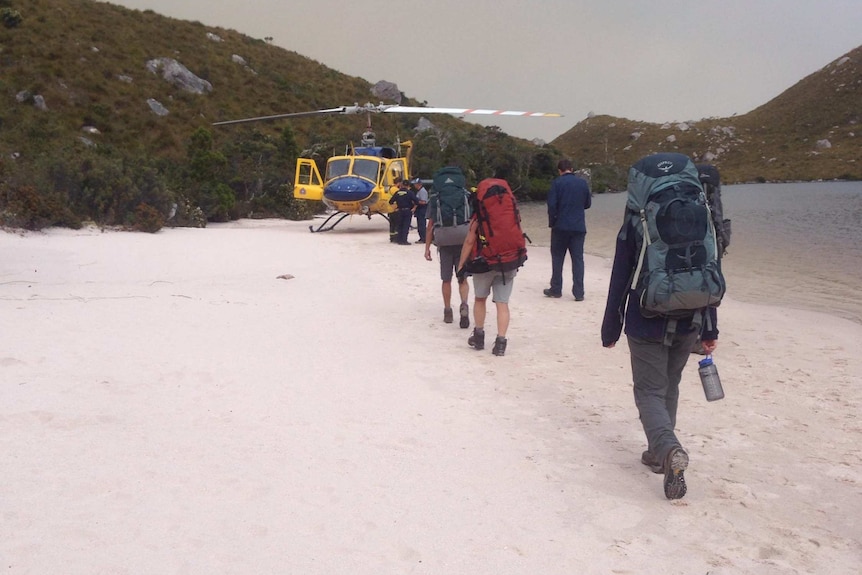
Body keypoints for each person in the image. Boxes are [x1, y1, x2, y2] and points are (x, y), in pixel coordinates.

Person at [601, 211, 719, 501]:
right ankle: (657, 455)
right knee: (670, 384)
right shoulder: (699, 215)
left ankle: (668, 451)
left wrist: (611, 328)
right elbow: (712, 269)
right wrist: (710, 327)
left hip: (646, 319)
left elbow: (622, 273)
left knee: (649, 391)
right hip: (691, 316)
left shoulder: (637, 219)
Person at [457, 222, 518, 357]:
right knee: (502, 304)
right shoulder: (510, 207)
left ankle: (479, 336)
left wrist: (461, 264)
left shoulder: (480, 210)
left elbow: (469, 240)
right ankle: (501, 343)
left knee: (480, 299)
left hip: (484, 262)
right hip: (507, 262)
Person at [544, 158, 591, 301]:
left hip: (560, 227)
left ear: (559, 170)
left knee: (557, 258)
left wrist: (552, 223)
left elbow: (552, 206)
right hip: (578, 226)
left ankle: (556, 289)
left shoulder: (557, 183)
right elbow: (587, 204)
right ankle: (579, 292)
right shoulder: (582, 183)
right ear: (571, 168)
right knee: (578, 260)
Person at [424, 187, 470, 328]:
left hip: (444, 243)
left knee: (446, 279)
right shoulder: (465, 195)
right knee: (462, 277)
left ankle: (448, 310)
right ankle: (464, 304)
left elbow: (430, 225)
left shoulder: (436, 198)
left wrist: (427, 248)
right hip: (462, 241)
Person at [388, 178, 417, 245]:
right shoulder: (410, 193)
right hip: (407, 211)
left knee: (399, 226)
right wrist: (414, 208)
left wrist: (395, 208)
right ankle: (404, 240)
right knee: (405, 226)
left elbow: (391, 201)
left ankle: (399, 240)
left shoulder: (397, 192)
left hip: (399, 211)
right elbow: (416, 201)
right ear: (408, 186)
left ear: (402, 185)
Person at [411, 177, 429, 244]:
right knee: (419, 224)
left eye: (415, 184)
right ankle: (422, 237)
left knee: (422, 224)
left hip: (422, 209)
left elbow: (424, 202)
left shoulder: (423, 191)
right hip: (419, 210)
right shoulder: (419, 191)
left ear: (419, 184)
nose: (414, 185)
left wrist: (416, 201)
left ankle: (424, 239)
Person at [388, 177, 404, 243]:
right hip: (395, 209)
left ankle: (392, 237)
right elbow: (399, 198)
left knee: (392, 225)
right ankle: (396, 238)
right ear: (399, 183)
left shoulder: (391, 188)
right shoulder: (395, 189)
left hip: (390, 209)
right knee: (397, 224)